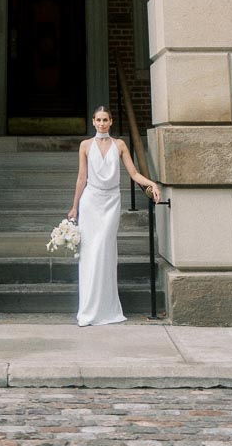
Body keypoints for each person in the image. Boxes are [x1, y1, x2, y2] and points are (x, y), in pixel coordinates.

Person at [67, 105, 161, 326]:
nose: (101, 124)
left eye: (105, 120)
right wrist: (75, 207)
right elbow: (82, 177)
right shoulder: (85, 145)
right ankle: (89, 308)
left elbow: (134, 173)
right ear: (93, 122)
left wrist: (152, 183)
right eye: (98, 120)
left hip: (111, 202)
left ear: (111, 122)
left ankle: (107, 308)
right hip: (90, 201)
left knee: (105, 249)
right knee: (90, 252)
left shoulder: (119, 145)